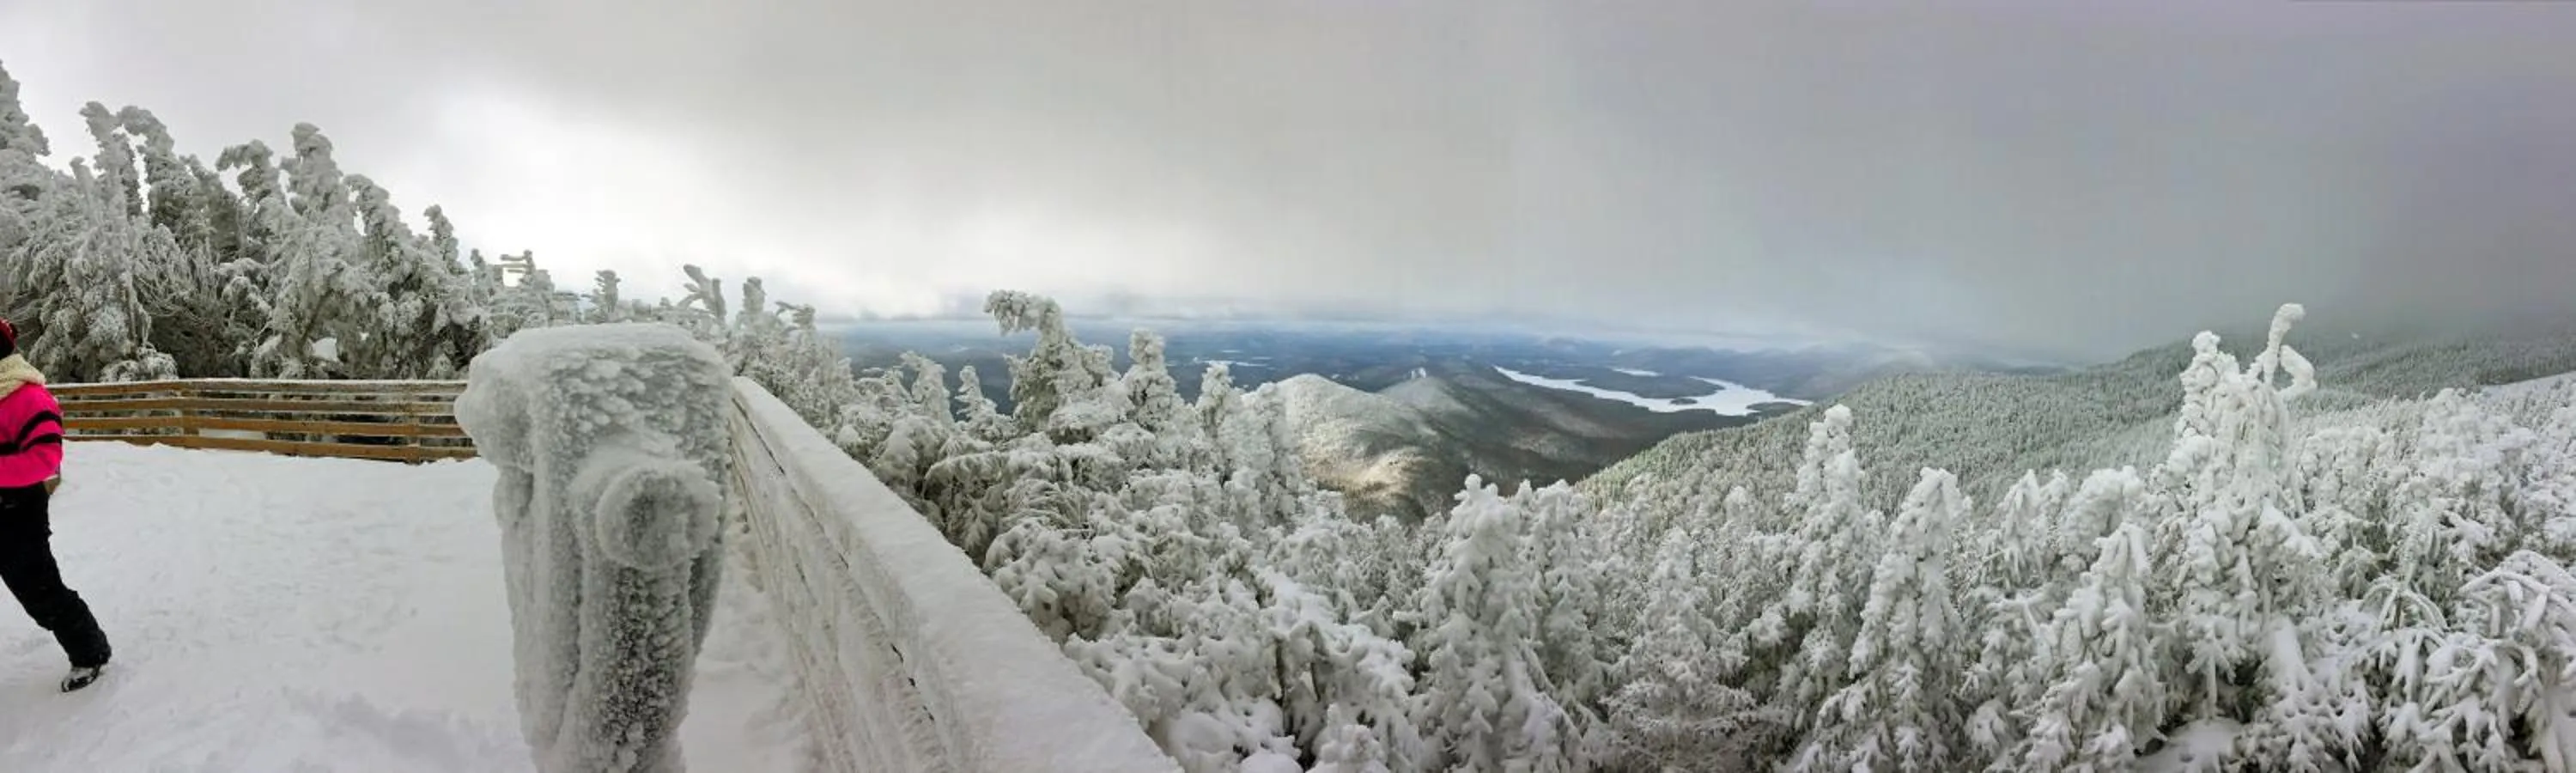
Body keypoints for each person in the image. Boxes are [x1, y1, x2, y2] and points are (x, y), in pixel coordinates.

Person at [0, 318, 111, 691]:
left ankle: (90, 653)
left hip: (16, 516)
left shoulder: (27, 397)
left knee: (41, 594)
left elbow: (45, 458)